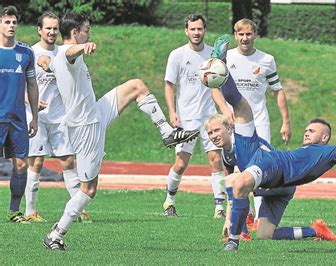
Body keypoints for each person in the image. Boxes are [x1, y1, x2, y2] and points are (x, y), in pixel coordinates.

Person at [204, 43, 336, 251]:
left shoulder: (325, 153)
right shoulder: (299, 150)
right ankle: (223, 66)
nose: (307, 132)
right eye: (307, 129)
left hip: (272, 168)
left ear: (325, 137)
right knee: (265, 234)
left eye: (313, 130)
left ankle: (234, 240)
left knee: (237, 183)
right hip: (266, 167)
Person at [39, 12, 199, 250]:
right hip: (85, 128)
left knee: (137, 86)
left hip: (95, 111)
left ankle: (166, 131)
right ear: (75, 33)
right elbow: (70, 53)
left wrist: (44, 62)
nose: (89, 33)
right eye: (86, 30)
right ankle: (57, 233)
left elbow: (49, 61)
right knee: (89, 190)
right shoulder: (68, 53)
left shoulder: (57, 56)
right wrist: (83, 47)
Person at [213, 120, 336, 243]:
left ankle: (241, 233)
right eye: (209, 133)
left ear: (229, 129)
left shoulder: (243, 144)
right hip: (273, 185)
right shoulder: (226, 153)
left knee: (233, 181)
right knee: (265, 234)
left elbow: (236, 182)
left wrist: (230, 220)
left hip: (277, 181)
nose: (213, 136)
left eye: (217, 130)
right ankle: (315, 230)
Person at [161, 13, 231, 218]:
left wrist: (224, 111)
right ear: (186, 31)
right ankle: (169, 201)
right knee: (181, 163)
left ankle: (219, 207)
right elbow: (169, 86)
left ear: (204, 30)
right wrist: (172, 112)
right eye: (192, 29)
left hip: (210, 117)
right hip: (186, 118)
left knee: (215, 160)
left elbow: (219, 86)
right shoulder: (177, 55)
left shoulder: (213, 56)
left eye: (199, 29)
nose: (196, 32)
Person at [225, 19, 292, 224]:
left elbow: (277, 90)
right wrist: (223, 112)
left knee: (260, 168)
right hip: (233, 122)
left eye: (248, 34)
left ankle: (259, 218)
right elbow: (214, 88)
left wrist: (285, 122)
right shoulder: (226, 57)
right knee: (237, 169)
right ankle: (235, 218)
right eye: (240, 34)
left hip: (259, 122)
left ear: (255, 35)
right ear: (235, 35)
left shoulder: (266, 60)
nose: (244, 38)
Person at [23, 12, 87, 223]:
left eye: (55, 28)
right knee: (37, 162)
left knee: (68, 161)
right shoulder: (30, 53)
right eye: (47, 28)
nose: (51, 32)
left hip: (60, 117)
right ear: (39, 30)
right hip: (37, 117)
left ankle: (78, 209)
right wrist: (30, 101)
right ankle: (30, 212)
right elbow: (19, 86)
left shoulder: (63, 53)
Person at [0, 5, 39, 224]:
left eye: (14, 22)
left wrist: (35, 115)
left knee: (22, 165)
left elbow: (32, 85)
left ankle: (14, 211)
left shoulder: (25, 53)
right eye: (7, 21)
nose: (11, 25)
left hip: (18, 119)